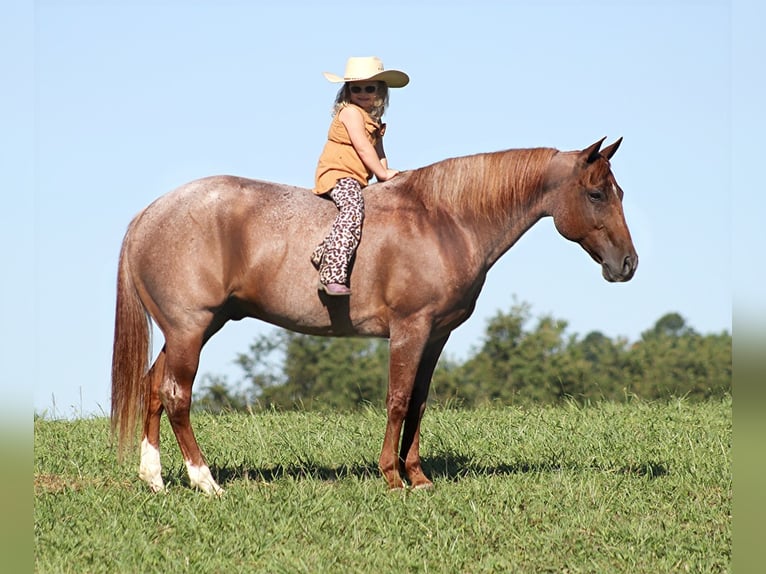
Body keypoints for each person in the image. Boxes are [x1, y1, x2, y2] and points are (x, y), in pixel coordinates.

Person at [311, 56, 409, 296]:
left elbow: (379, 152)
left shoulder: (374, 121)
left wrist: (386, 179)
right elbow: (363, 147)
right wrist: (382, 173)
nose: (363, 93)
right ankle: (332, 272)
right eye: (356, 88)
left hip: (357, 179)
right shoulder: (351, 113)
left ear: (380, 92)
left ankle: (324, 249)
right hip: (338, 174)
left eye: (369, 88)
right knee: (353, 209)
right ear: (348, 91)